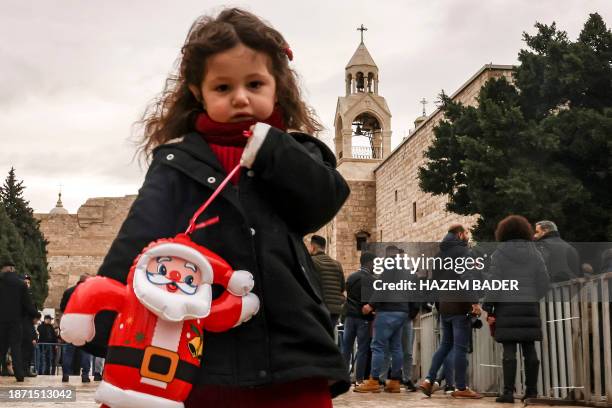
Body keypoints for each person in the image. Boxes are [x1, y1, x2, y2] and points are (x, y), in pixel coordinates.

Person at [78, 8, 350, 407]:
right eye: (223, 87)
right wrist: (105, 316)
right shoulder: (177, 160)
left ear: (278, 87)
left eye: (255, 83)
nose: (241, 97)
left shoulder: (298, 152)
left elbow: (319, 204)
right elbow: (141, 237)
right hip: (199, 351)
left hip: (288, 348)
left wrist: (271, 147)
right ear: (198, 92)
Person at [484, 215, 550, 403]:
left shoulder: (499, 254)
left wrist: (489, 307)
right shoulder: (535, 252)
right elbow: (544, 280)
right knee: (530, 348)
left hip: (506, 306)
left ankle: (508, 393)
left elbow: (494, 282)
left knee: (509, 351)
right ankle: (532, 392)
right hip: (529, 305)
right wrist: (533, 296)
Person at [418, 225, 482, 399]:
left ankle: (429, 380)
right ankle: (461, 387)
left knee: (445, 345)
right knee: (460, 348)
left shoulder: (439, 257)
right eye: (466, 233)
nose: (467, 237)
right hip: (460, 306)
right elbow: (467, 278)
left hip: (444, 306)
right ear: (460, 234)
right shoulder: (463, 253)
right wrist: (474, 302)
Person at [354, 245, 413, 394]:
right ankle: (394, 382)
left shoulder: (389, 268)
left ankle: (374, 380)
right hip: (402, 312)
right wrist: (410, 312)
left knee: (378, 346)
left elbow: (381, 288)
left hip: (388, 312)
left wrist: (370, 305)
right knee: (396, 347)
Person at [0, 258, 38, 382]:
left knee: (1, 347)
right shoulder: (21, 283)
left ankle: (3, 369)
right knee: (16, 347)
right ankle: (19, 374)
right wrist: (35, 314)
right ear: (12, 268)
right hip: (15, 321)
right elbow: (27, 304)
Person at [342, 252, 376, 385]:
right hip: (363, 318)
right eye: (374, 263)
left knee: (346, 348)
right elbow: (368, 300)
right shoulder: (371, 280)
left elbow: (348, 296)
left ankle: (343, 378)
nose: (374, 265)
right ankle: (359, 379)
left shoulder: (351, 277)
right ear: (369, 263)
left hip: (349, 317)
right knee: (362, 349)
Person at [60, 275, 92, 383]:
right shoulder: (89, 292)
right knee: (86, 351)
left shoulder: (68, 291)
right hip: (84, 324)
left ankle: (65, 374)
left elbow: (62, 307)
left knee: (68, 351)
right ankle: (85, 375)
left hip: (70, 323)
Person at [309, 235, 346, 327]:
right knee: (329, 337)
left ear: (313, 247)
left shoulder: (311, 261)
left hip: (320, 309)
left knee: (317, 338)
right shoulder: (337, 264)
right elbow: (342, 288)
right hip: (335, 309)